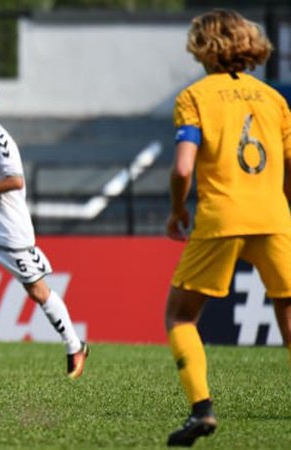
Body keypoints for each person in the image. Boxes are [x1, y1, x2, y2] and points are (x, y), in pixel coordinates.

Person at [164, 9, 291, 447]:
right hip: (275, 217)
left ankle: (202, 409)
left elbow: (183, 168)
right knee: (288, 310)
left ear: (202, 46)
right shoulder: (274, 98)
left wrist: (178, 210)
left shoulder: (194, 96)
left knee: (180, 315)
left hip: (222, 217)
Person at [0, 77, 89, 378]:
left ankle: (74, 345)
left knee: (38, 292)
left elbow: (16, 180)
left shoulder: (0, 141)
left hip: (12, 235)